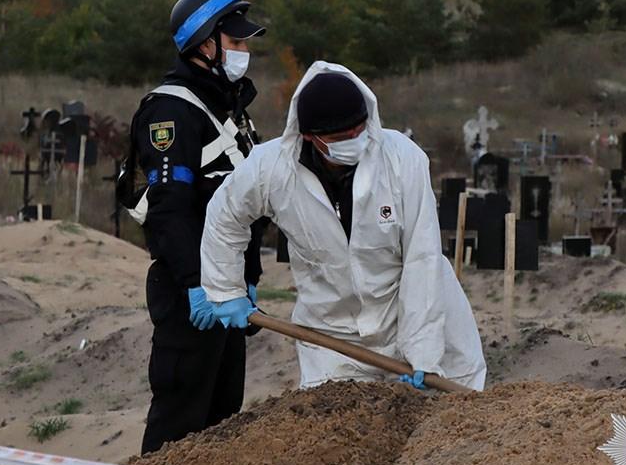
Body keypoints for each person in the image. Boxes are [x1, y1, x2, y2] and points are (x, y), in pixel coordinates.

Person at [199, 61, 486, 391]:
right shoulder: (271, 170)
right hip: (332, 336)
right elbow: (225, 217)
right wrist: (226, 290)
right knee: (340, 433)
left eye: (359, 130)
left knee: (452, 430)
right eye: (341, 137)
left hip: (415, 319)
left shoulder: (403, 160)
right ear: (309, 136)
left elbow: (422, 259)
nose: (354, 140)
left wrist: (424, 354)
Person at [121, 0, 268, 454]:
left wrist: (248, 278)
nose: (245, 50)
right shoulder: (171, 112)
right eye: (237, 42)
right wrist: (195, 285)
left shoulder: (231, 109)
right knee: (177, 429)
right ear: (206, 45)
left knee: (220, 430)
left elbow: (241, 208)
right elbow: (169, 211)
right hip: (192, 299)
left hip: (227, 293)